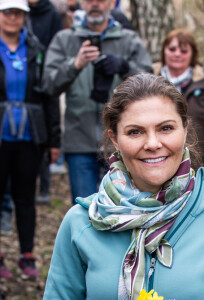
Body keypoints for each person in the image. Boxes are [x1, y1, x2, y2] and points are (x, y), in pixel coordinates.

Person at [43, 73, 204, 300]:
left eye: (166, 128)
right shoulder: (81, 223)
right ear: (115, 139)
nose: (152, 144)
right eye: (135, 132)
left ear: (185, 130)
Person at [42, 0, 152, 204]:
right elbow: (48, 85)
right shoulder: (64, 39)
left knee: (123, 207)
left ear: (112, 3)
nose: (95, 4)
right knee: (85, 209)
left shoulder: (128, 39)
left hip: (121, 143)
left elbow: (151, 83)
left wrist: (124, 67)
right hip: (79, 140)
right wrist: (75, 65)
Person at [0, 0, 60, 279]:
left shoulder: (36, 50)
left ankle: (27, 255)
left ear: (25, 16)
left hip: (29, 136)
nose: (12, 18)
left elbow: (49, 95)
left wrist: (53, 139)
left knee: (26, 197)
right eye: (7, 12)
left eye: (17, 13)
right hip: (2, 136)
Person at [153, 29, 204, 193]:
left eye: (184, 50)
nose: (177, 54)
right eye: (172, 49)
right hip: (154, 167)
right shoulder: (146, 84)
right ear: (163, 51)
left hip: (198, 169)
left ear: (192, 54)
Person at [27, 0, 62, 204]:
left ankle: (45, 186)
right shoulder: (18, 12)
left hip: (46, 78)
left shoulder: (52, 14)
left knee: (44, 134)